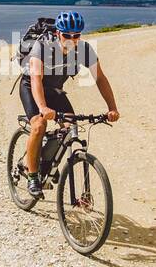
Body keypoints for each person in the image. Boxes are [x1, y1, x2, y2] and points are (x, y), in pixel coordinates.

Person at [21, 10, 119, 197]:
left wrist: (112, 108)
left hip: (55, 91)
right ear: (58, 33)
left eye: (76, 35)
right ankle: (32, 175)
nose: (71, 39)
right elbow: (35, 80)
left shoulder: (84, 49)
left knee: (70, 126)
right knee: (39, 124)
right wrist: (42, 108)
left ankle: (48, 160)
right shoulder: (42, 47)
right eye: (67, 35)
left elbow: (100, 79)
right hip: (32, 88)